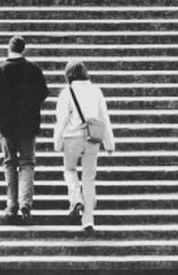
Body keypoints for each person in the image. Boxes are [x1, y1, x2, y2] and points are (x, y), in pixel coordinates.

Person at [0, 35, 49, 225]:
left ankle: (12, 204)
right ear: (24, 49)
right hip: (28, 125)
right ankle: (26, 204)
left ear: (9, 48)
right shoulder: (34, 69)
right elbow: (43, 94)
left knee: (10, 163)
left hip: (7, 125)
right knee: (27, 163)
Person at [53, 60, 115, 236]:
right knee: (89, 178)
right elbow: (104, 118)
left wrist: (57, 142)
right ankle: (88, 220)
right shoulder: (96, 91)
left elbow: (62, 120)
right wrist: (109, 143)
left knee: (69, 170)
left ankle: (75, 198)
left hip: (72, 137)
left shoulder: (67, 92)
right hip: (92, 138)